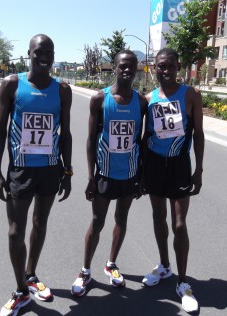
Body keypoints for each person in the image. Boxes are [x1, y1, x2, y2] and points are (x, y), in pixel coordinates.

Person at [0, 34, 72, 316]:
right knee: (16, 231)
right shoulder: (13, 84)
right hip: (20, 171)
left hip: (50, 170)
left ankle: (31, 275)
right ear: (29, 53)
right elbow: (0, 129)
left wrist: (68, 170)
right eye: (39, 51)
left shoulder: (62, 89)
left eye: (49, 51)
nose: (45, 56)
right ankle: (20, 291)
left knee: (40, 222)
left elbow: (66, 134)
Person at [71, 50, 148, 297]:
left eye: (132, 66)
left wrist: (141, 176)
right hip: (104, 174)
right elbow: (91, 140)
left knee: (121, 219)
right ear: (115, 67)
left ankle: (111, 264)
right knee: (97, 222)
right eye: (123, 66)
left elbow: (142, 139)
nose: (127, 70)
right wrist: (91, 177)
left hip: (129, 174)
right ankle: (85, 271)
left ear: (137, 69)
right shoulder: (100, 99)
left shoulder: (141, 102)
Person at [142, 48, 204, 314]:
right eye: (160, 66)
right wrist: (142, 172)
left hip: (179, 164)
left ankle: (182, 281)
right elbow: (145, 137)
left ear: (178, 66)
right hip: (155, 165)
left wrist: (199, 170)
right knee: (158, 218)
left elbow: (199, 134)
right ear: (154, 68)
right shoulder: (148, 99)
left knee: (179, 224)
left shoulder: (190, 95)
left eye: (169, 66)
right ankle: (165, 266)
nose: (164, 71)